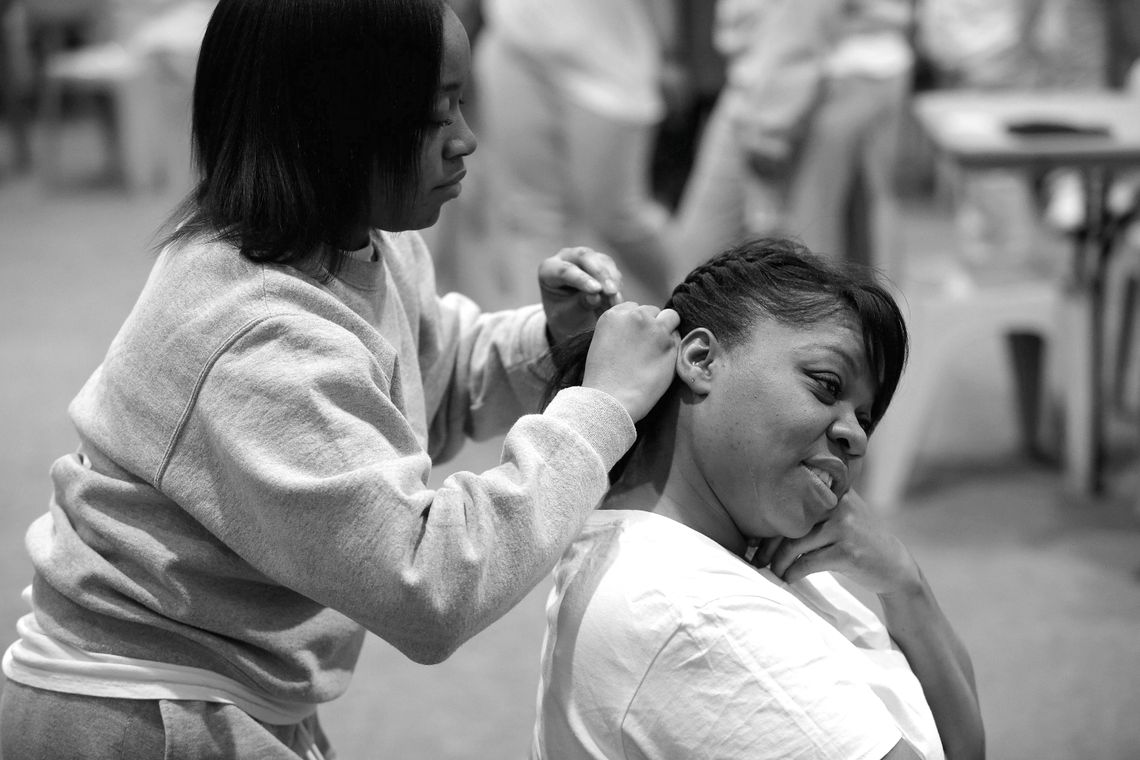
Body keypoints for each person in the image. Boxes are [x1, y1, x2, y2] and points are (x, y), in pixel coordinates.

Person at [0, 1, 682, 757]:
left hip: (227, 683)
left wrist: (550, 338)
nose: (467, 139)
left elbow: (426, 379)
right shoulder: (259, 339)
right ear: (334, 129)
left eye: (462, 101)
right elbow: (429, 583)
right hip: (138, 708)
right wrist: (600, 410)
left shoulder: (369, 243)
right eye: (434, 116)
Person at [532, 238, 985, 759]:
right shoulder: (696, 615)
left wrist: (906, 585)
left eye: (865, 419)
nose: (857, 437)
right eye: (825, 384)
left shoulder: (745, 542)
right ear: (701, 359)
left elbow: (966, 747)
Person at [672, 0, 915, 277]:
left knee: (808, 242)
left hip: (812, 75)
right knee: (854, 225)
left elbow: (797, 28)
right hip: (857, 61)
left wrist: (770, 127)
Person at [470, 0, 680, 306]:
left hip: (607, 60)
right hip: (514, 39)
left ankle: (695, 302)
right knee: (529, 214)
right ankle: (543, 340)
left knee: (617, 218)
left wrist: (671, 49)